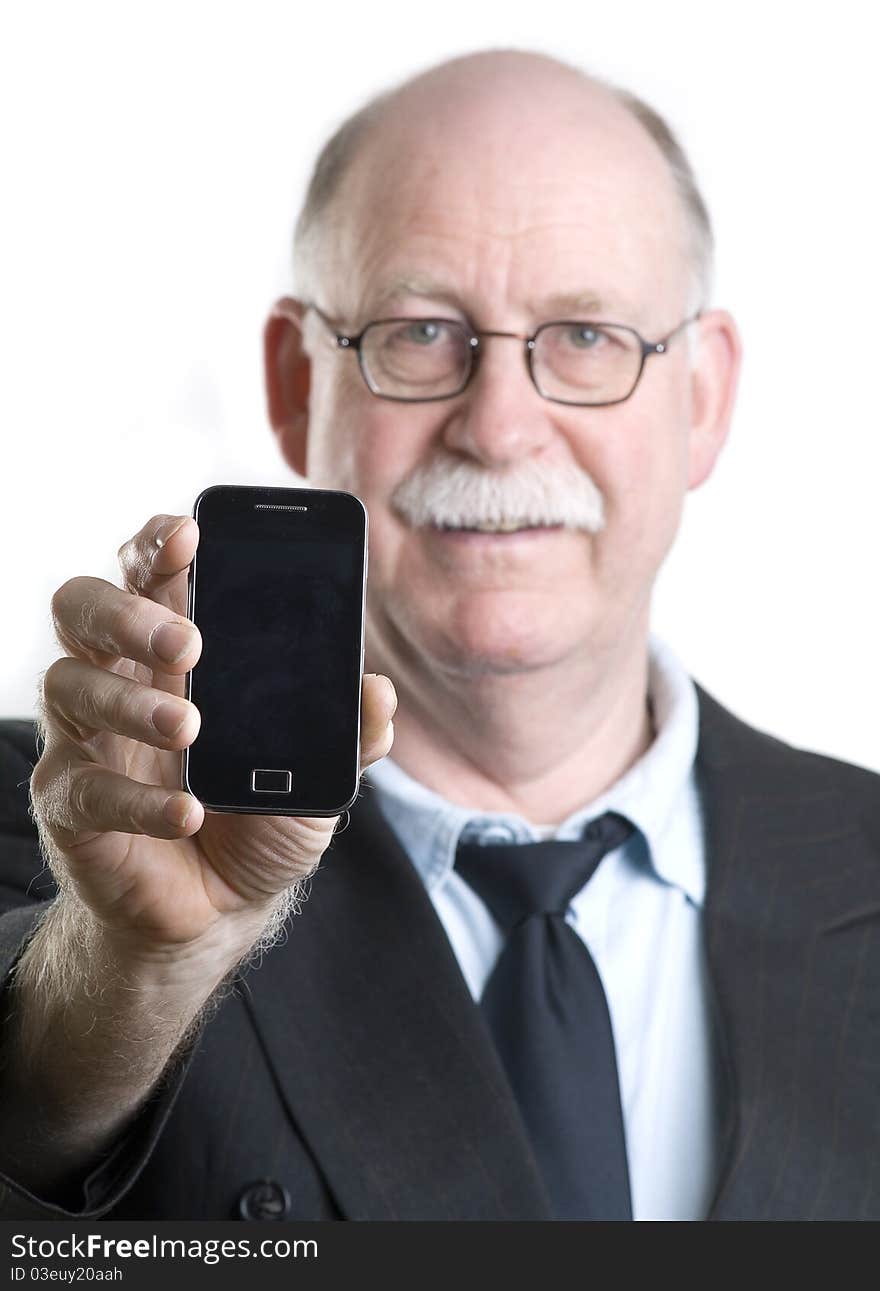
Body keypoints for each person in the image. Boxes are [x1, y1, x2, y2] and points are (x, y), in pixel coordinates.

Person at [0, 48, 877, 1223]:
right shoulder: (69, 818)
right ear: (295, 384)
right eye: (419, 333)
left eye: (584, 336)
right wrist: (130, 970)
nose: (502, 426)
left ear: (703, 398)